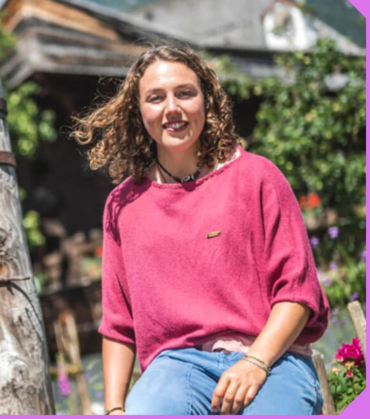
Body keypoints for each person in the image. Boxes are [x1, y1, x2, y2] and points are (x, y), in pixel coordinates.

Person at [71, 45, 329, 415]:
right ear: (138, 110)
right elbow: (118, 323)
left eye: (185, 93)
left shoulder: (257, 177)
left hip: (274, 359)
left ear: (207, 100)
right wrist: (114, 410)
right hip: (176, 369)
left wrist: (255, 363)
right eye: (156, 97)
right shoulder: (122, 206)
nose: (171, 108)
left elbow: (298, 293)